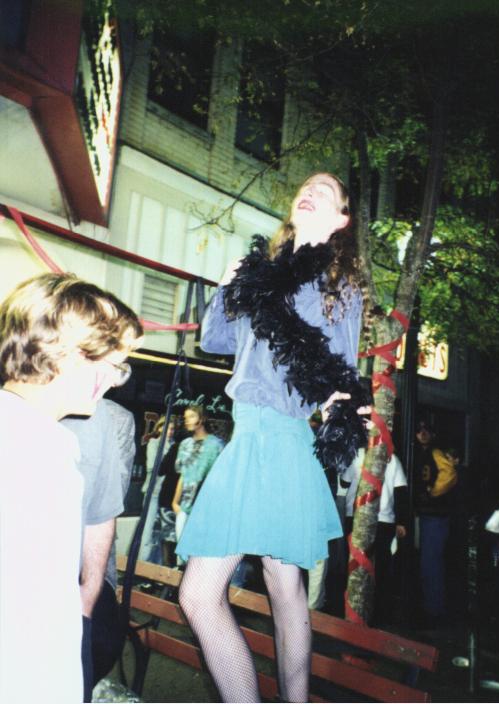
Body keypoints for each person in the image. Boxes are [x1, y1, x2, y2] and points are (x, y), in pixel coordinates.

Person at [176, 173, 369, 703]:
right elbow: (215, 340)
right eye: (306, 187)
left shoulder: (338, 287)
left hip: (282, 439)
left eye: (325, 191)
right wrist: (228, 285)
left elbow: (341, 371)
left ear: (341, 219)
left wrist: (340, 407)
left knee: (234, 594)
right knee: (279, 590)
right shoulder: (262, 275)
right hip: (247, 437)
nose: (310, 191)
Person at [0, 272, 143, 704]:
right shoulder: (27, 446)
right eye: (113, 364)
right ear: (66, 352)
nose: (115, 380)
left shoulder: (49, 439)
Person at [62, 398, 136, 700]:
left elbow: (108, 504)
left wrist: (89, 590)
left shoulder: (114, 418)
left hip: (84, 562)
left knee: (99, 643)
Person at [343, 448, 408, 625]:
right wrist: (402, 521)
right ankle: (378, 616)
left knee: (357, 567)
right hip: (383, 519)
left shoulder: (357, 455)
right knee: (381, 568)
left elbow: (344, 482)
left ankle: (356, 614)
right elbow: (401, 491)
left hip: (357, 517)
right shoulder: (392, 458)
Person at [414, 419, 458, 625]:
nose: (422, 433)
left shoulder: (435, 452)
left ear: (433, 434)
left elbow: (449, 473)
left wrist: (433, 493)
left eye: (426, 430)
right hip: (427, 515)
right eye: (419, 430)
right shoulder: (419, 453)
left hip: (435, 515)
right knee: (428, 562)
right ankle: (431, 607)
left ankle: (434, 611)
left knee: (431, 563)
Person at [172, 405, 223, 557]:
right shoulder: (185, 444)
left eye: (191, 416)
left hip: (206, 504)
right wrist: (175, 502)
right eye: (185, 417)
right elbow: (183, 474)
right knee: (182, 550)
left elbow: (220, 478)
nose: (187, 420)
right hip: (185, 504)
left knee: (200, 551)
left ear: (202, 419)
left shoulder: (216, 445)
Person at [139, 416, 172, 562]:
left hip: (167, 495)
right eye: (167, 427)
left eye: (172, 428)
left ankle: (154, 565)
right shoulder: (154, 443)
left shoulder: (174, 446)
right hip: (153, 492)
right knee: (147, 529)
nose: (170, 431)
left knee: (161, 533)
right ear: (159, 428)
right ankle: (141, 563)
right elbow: (152, 466)